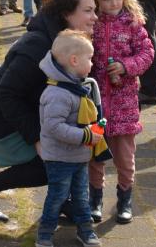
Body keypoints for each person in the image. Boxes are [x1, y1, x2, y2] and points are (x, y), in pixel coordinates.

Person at [0, 0, 99, 223]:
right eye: (88, 11)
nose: (95, 17)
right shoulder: (39, 45)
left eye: (95, 10)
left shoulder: (67, 41)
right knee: (50, 162)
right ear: (67, 13)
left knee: (66, 149)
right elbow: (6, 93)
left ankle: (63, 201)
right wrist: (36, 138)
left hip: (20, 107)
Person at [86, 0, 154, 225]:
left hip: (124, 102)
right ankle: (95, 200)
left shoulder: (133, 22)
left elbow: (147, 53)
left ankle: (125, 199)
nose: (114, 3)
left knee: (125, 158)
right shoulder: (91, 23)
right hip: (96, 104)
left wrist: (126, 67)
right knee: (95, 156)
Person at [36, 32, 103, 247]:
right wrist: (85, 135)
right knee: (57, 196)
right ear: (74, 60)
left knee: (81, 196)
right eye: (89, 58)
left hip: (78, 157)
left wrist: (95, 128)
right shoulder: (58, 93)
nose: (92, 63)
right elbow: (53, 127)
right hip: (60, 158)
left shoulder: (76, 87)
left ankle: (85, 231)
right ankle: (45, 234)